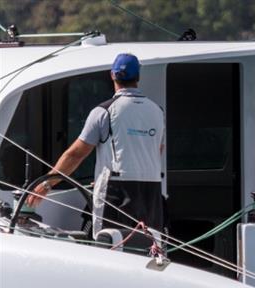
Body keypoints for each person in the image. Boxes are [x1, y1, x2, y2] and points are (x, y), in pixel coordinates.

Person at [28, 53, 165, 239]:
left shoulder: (103, 111)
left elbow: (76, 154)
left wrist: (46, 183)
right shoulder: (157, 111)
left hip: (116, 190)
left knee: (110, 246)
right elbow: (157, 149)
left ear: (112, 75)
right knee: (149, 246)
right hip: (152, 191)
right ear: (138, 77)